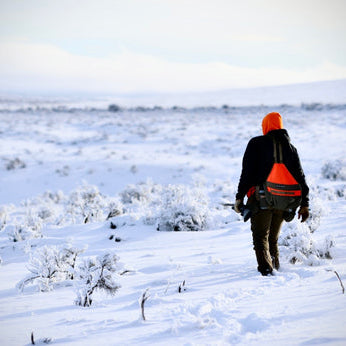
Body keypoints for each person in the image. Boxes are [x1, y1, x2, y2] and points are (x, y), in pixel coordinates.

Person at [234, 112, 309, 276]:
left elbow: (246, 173)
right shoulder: (291, 149)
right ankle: (275, 268)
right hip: (284, 203)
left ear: (266, 126)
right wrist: (305, 204)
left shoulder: (256, 143)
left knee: (261, 238)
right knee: (272, 239)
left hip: (261, 199)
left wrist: (239, 197)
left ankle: (267, 273)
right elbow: (300, 178)